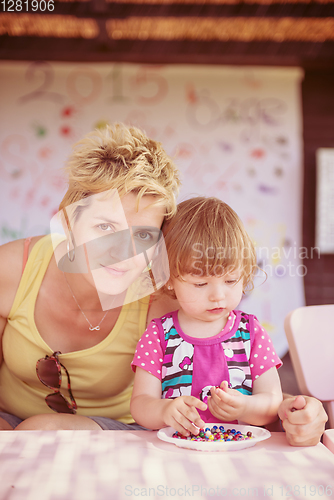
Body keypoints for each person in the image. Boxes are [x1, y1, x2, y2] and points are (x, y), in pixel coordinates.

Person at [0, 124, 327, 444]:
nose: (122, 253)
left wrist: (297, 412)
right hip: (10, 421)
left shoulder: (162, 296)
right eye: (104, 226)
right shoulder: (12, 270)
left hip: (121, 433)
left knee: (41, 428)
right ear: (68, 222)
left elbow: (231, 376)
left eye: (143, 235)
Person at [131, 197, 284, 436]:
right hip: (173, 452)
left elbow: (273, 403)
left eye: (231, 281)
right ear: (168, 278)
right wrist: (164, 411)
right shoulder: (159, 335)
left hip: (239, 453)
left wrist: (244, 407)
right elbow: (140, 404)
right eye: (201, 283)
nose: (218, 296)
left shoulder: (251, 332)